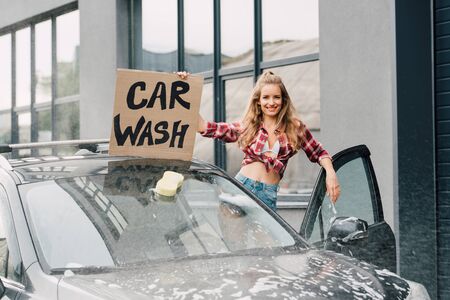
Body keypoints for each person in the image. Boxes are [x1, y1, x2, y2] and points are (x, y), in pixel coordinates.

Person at [177, 71, 340, 211]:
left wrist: (331, 174)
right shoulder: (248, 126)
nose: (271, 102)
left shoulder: (295, 127)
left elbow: (319, 153)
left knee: (270, 247)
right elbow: (204, 127)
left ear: (283, 100)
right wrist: (185, 87)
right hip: (240, 189)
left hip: (267, 195)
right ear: (258, 101)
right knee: (237, 246)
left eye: (276, 97)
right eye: (266, 97)